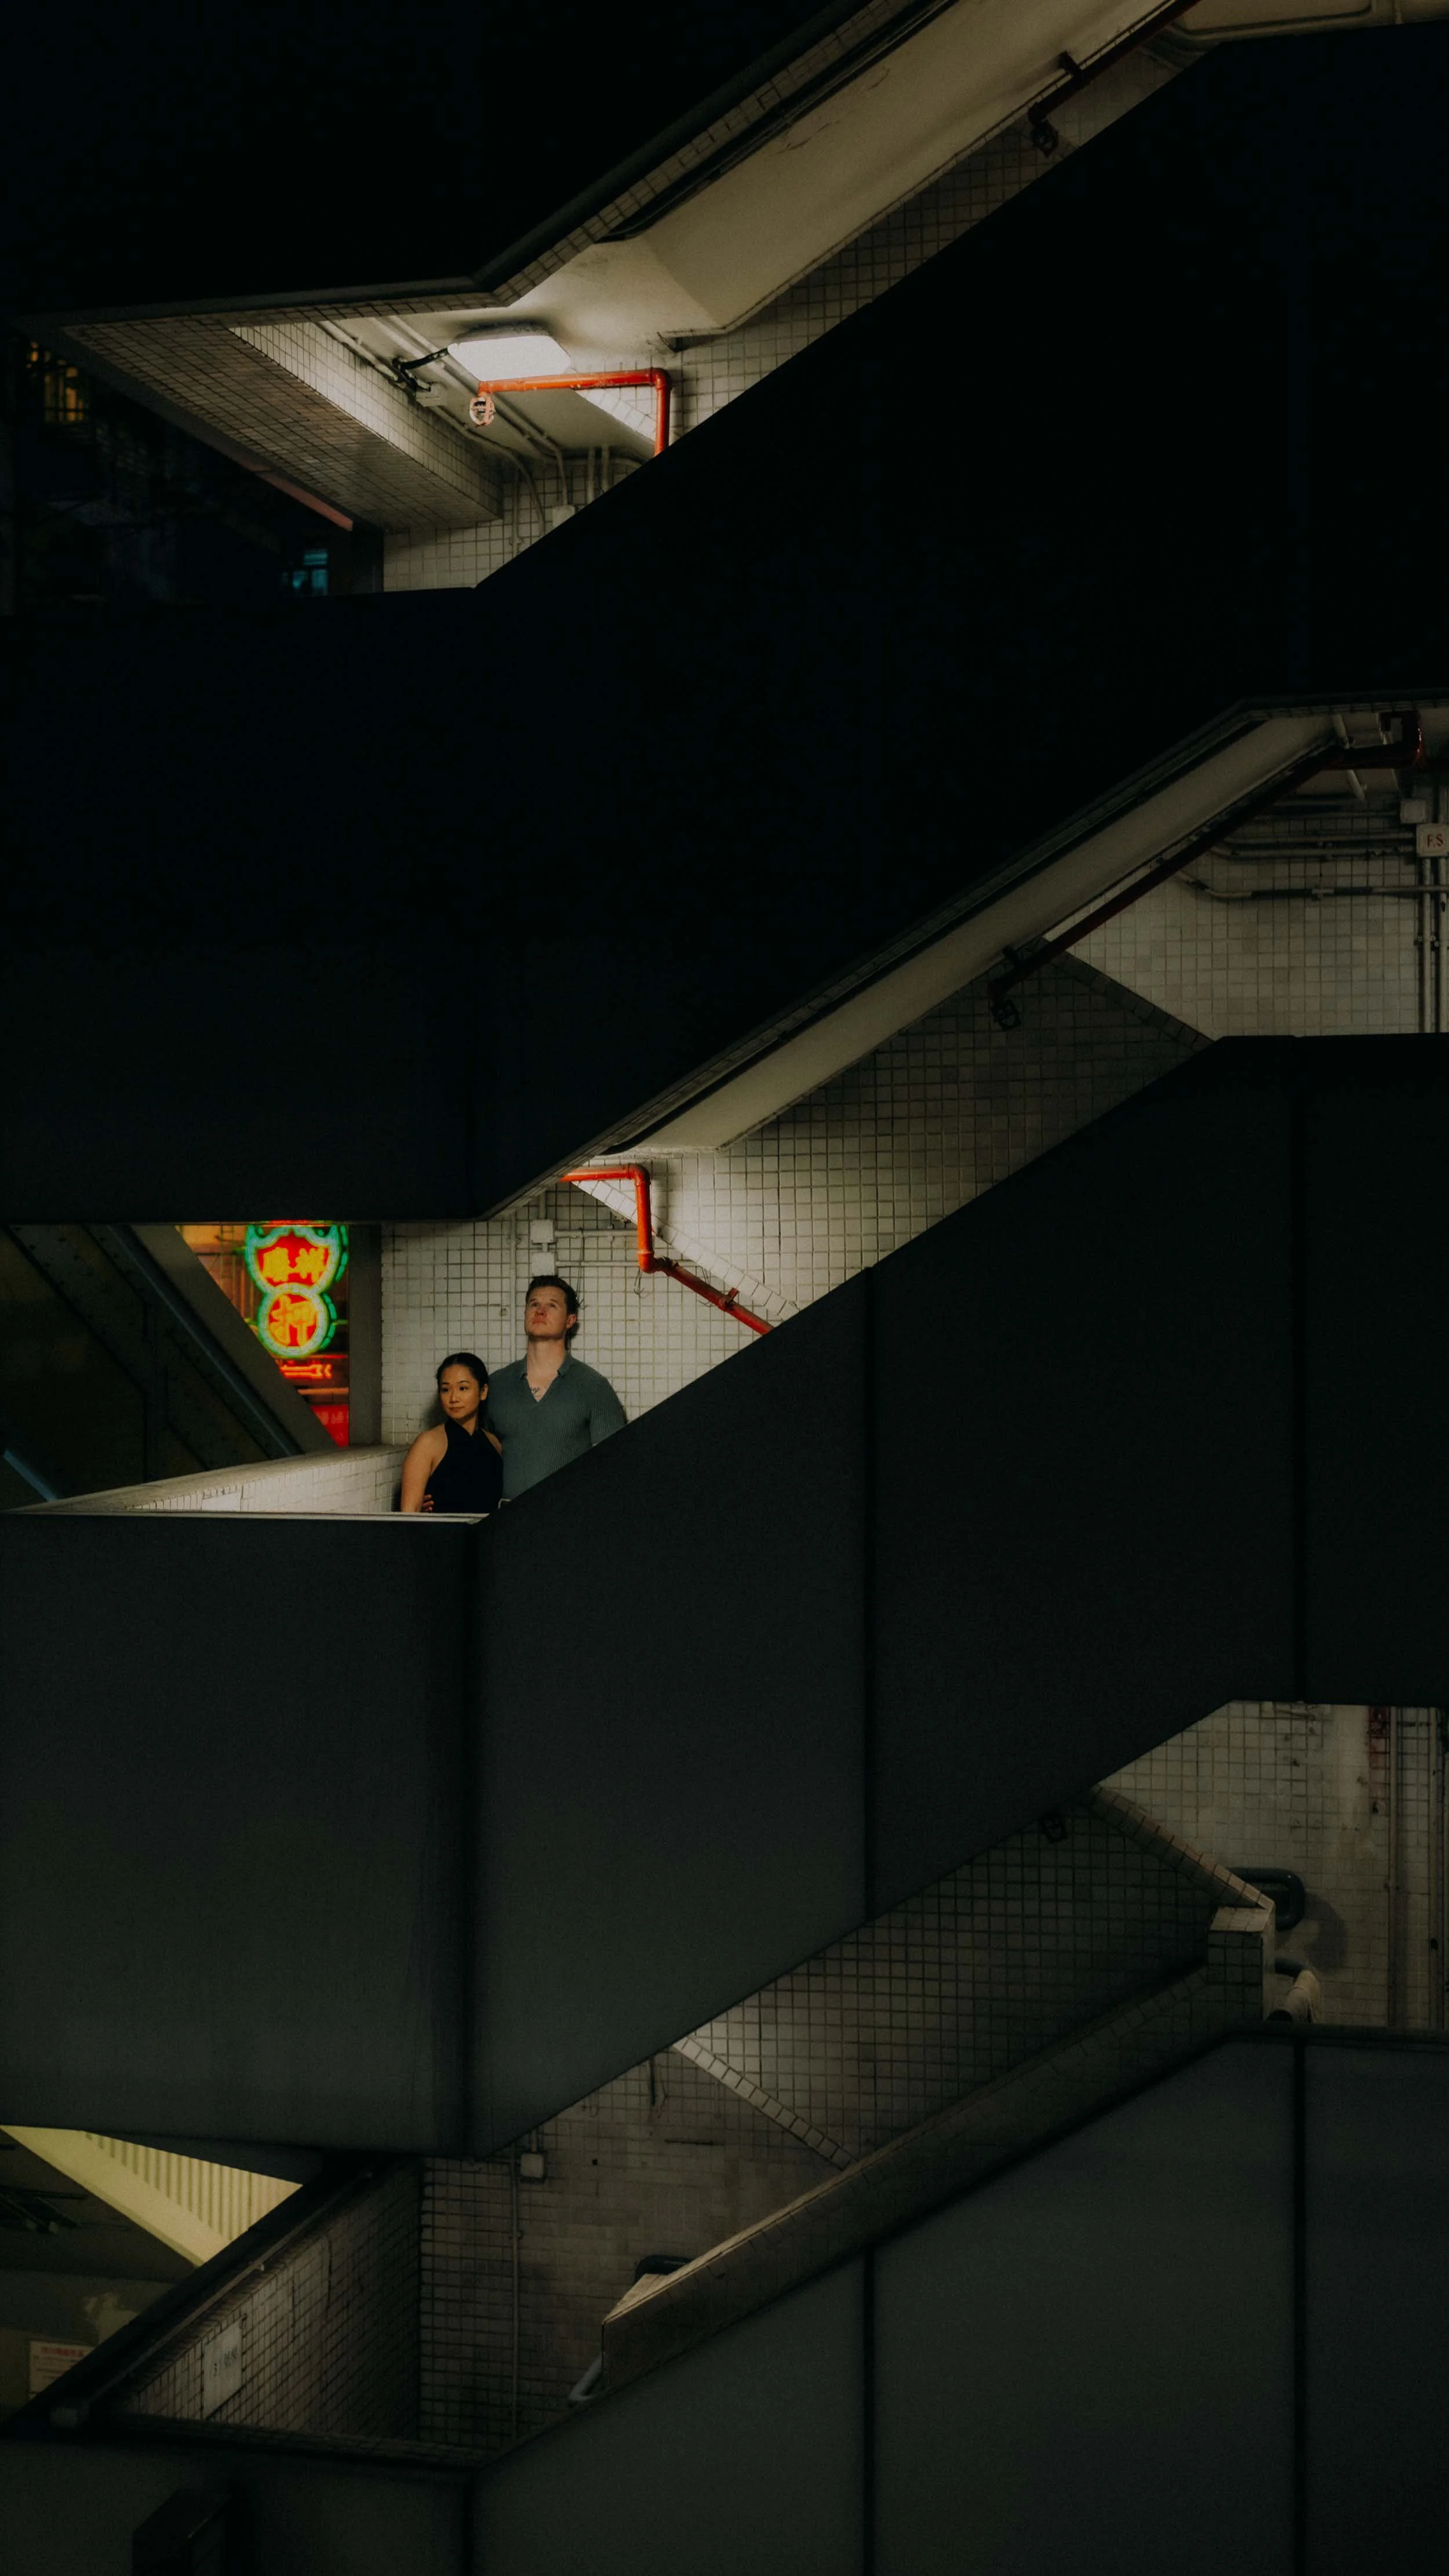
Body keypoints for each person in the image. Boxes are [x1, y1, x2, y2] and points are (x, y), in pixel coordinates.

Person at [486, 1274, 626, 1499]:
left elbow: (614, 1468)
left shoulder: (594, 1387)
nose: (540, 1311)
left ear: (570, 1321)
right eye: (534, 1304)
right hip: (507, 1523)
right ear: (525, 1314)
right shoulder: (495, 1386)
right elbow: (470, 1453)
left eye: (552, 1305)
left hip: (568, 1522)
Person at [399, 1352, 503, 1514]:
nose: (454, 1398)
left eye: (463, 1388)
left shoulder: (494, 1443)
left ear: (483, 1392)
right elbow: (409, 1514)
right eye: (446, 1390)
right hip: (441, 1538)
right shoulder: (428, 1444)